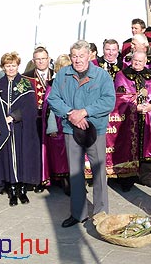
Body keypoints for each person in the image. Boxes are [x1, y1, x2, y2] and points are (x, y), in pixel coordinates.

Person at [47, 40, 115, 228]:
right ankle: (78, 213)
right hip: (71, 129)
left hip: (96, 130)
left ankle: (101, 214)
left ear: (89, 56)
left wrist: (84, 112)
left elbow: (109, 101)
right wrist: (71, 114)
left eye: (81, 56)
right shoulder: (63, 74)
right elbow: (53, 99)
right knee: (76, 173)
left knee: (99, 172)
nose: (77, 60)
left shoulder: (101, 76)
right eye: (74, 56)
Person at [0, 52, 41, 207]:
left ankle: (22, 188)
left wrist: (14, 116)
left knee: (21, 157)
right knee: (8, 157)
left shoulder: (25, 84)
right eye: (8, 66)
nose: (11, 68)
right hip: (4, 127)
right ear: (3, 67)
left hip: (21, 127)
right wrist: (1, 119)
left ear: (18, 66)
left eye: (13, 65)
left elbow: (30, 107)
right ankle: (11, 189)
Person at [114, 51, 151, 190]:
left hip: (148, 117)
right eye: (135, 60)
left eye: (140, 61)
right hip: (129, 117)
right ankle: (127, 178)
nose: (137, 63)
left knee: (148, 146)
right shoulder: (122, 75)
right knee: (128, 146)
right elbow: (119, 95)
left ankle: (147, 176)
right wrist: (135, 107)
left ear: (146, 61)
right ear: (131, 60)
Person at [23, 46, 54, 193]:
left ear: (48, 59)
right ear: (33, 60)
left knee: (54, 148)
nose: (41, 62)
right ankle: (40, 179)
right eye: (38, 59)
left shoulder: (57, 74)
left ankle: (57, 178)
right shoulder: (27, 76)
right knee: (38, 149)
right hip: (35, 117)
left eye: (43, 58)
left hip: (53, 117)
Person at [41, 54, 71, 195]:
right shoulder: (53, 85)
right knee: (60, 155)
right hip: (58, 125)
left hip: (72, 123)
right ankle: (64, 182)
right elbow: (50, 108)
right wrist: (52, 127)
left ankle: (74, 181)